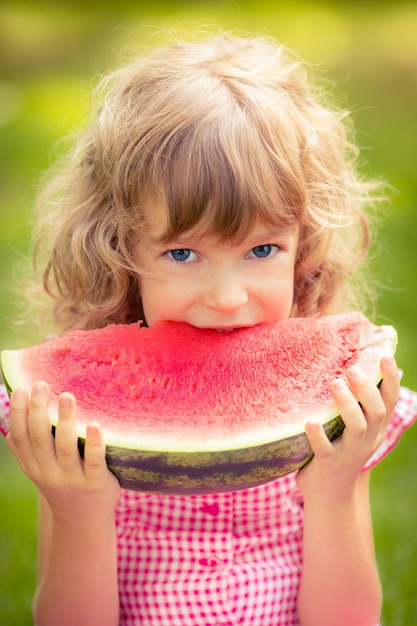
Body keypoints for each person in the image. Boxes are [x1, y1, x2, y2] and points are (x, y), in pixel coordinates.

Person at [1, 31, 416, 626]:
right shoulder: (79, 427)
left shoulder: (335, 412)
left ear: (304, 249)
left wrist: (333, 493)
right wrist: (78, 514)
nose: (227, 298)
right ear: (118, 250)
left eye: (263, 248)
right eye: (182, 255)